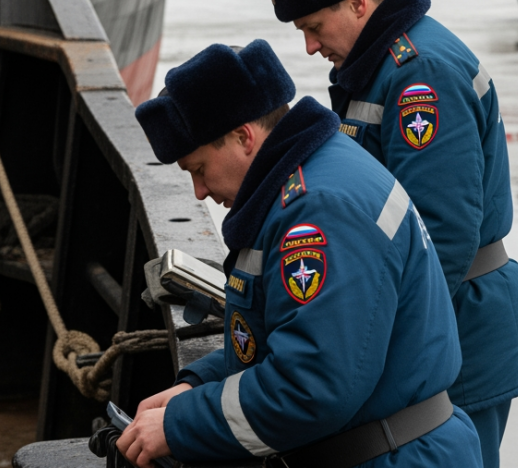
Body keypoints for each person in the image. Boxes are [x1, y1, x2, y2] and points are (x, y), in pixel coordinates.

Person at [120, 39, 483, 468]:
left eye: (199, 169)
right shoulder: (318, 168)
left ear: (244, 137)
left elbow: (312, 386)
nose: (199, 190)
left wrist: (180, 424)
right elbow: (296, 337)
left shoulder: (318, 213)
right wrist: (200, 382)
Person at [262, 0, 518, 468]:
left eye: (315, 27)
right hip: (441, 326)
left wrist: (362, 329)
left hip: (458, 328)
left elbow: (446, 233)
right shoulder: (381, 68)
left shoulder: (420, 76)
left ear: (358, 2)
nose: (310, 46)